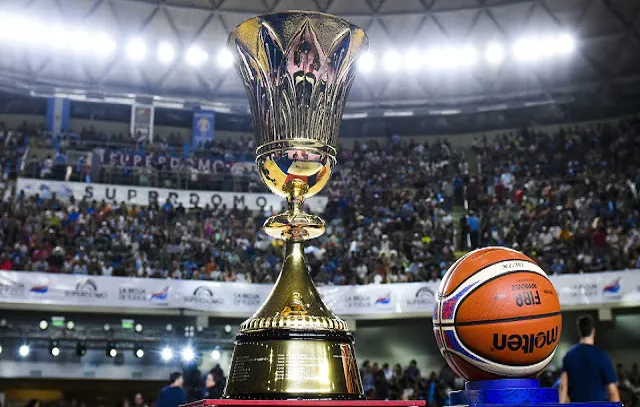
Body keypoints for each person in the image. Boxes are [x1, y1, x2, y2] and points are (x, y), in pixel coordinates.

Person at [559, 315, 620, 403]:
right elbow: (612, 390)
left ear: (579, 331)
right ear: (593, 330)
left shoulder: (569, 356)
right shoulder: (601, 356)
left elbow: (563, 387)